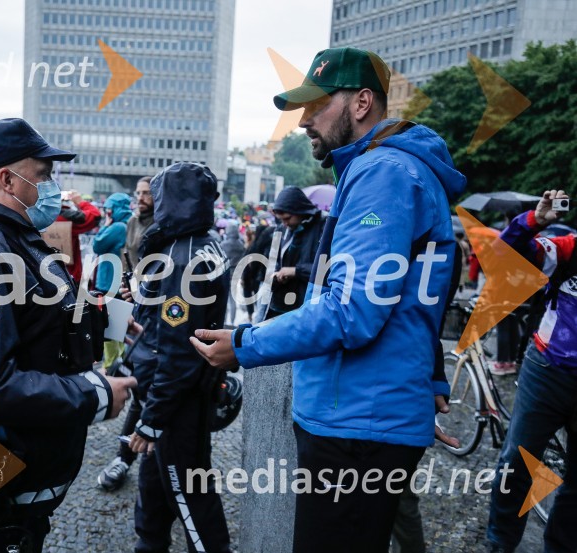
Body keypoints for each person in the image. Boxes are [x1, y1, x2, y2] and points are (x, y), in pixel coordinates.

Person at [190, 47, 466, 553]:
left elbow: (352, 311)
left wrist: (245, 344)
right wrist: (429, 376)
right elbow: (419, 295)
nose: (304, 122)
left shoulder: (382, 172)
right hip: (365, 412)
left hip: (356, 422)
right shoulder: (386, 169)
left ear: (362, 103)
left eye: (317, 106)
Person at [0, 118, 136, 552]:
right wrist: (94, 394)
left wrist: (100, 318)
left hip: (13, 475)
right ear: (6, 179)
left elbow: (33, 318)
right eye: (43, 175)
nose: (52, 187)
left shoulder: (7, 237)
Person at [127, 162, 232, 553]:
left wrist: (150, 421)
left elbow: (179, 353)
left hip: (176, 403)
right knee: (155, 488)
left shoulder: (182, 257)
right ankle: (148, 544)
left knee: (191, 499)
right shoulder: (203, 241)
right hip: (182, 394)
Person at [487, 190, 576, 553]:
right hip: (549, 371)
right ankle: (499, 545)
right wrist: (533, 222)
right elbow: (504, 258)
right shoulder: (570, 248)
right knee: (517, 462)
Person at [96, 176, 155, 492]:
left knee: (147, 391)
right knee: (136, 380)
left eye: (147, 193)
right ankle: (126, 455)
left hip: (157, 311)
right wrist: (126, 286)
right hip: (131, 304)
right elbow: (126, 261)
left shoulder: (164, 224)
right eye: (139, 193)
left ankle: (133, 456)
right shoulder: (130, 223)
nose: (142, 197)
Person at [266, 187, 326, 320]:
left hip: (309, 306)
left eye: (287, 218)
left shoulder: (323, 226)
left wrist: (296, 271)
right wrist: (277, 276)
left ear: (299, 210)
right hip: (281, 305)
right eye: (281, 219)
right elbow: (273, 262)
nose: (285, 223)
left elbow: (328, 267)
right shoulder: (283, 229)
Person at [93, 192, 133, 369]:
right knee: (118, 325)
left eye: (109, 209)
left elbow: (97, 245)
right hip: (117, 282)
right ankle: (121, 361)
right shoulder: (128, 224)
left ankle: (110, 365)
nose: (107, 213)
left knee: (109, 326)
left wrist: (105, 226)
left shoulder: (117, 227)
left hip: (109, 282)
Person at [56, 189, 101, 285]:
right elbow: (95, 215)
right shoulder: (64, 218)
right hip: (69, 277)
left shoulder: (30, 217)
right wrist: (80, 201)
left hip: (39, 277)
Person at [125, 176, 155, 269]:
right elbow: (127, 254)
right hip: (134, 279)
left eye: (146, 193)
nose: (140, 198)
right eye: (138, 193)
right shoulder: (132, 222)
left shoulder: (161, 222)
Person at [220, 222, 246, 325]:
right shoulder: (241, 245)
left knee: (223, 300)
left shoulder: (222, 245)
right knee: (233, 300)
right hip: (236, 275)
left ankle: (224, 321)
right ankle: (232, 322)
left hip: (224, 275)